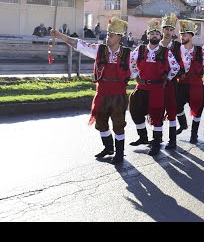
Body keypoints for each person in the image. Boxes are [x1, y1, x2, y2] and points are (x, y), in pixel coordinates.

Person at [50, 18, 131, 164]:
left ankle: (120, 153)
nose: (108, 38)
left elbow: (137, 70)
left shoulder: (128, 54)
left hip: (118, 95)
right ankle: (108, 147)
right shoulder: (99, 50)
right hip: (102, 94)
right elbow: (78, 44)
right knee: (100, 122)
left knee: (118, 124)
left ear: (119, 37)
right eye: (107, 34)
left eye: (111, 35)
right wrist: (60, 36)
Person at [129, 18, 181, 156]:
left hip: (157, 88)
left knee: (157, 116)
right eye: (152, 33)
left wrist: (168, 79)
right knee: (134, 108)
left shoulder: (165, 51)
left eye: (157, 34)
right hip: (142, 86)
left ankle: (156, 144)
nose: (155, 36)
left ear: (160, 36)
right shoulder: (140, 49)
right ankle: (143, 137)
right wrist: (136, 77)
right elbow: (131, 62)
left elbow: (175, 67)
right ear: (147, 35)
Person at [175, 20, 204, 144]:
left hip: (196, 83)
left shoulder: (199, 50)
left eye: (185, 34)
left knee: (198, 109)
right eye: (181, 34)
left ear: (191, 36)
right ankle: (183, 124)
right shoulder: (177, 48)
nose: (182, 37)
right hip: (181, 83)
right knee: (177, 106)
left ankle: (194, 134)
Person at [157, 13, 185, 150]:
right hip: (157, 84)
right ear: (162, 30)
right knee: (157, 110)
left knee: (172, 110)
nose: (168, 32)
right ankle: (157, 138)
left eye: (171, 29)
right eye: (166, 29)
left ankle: (172, 140)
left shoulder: (177, 46)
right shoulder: (156, 45)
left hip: (172, 83)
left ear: (173, 31)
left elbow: (181, 64)